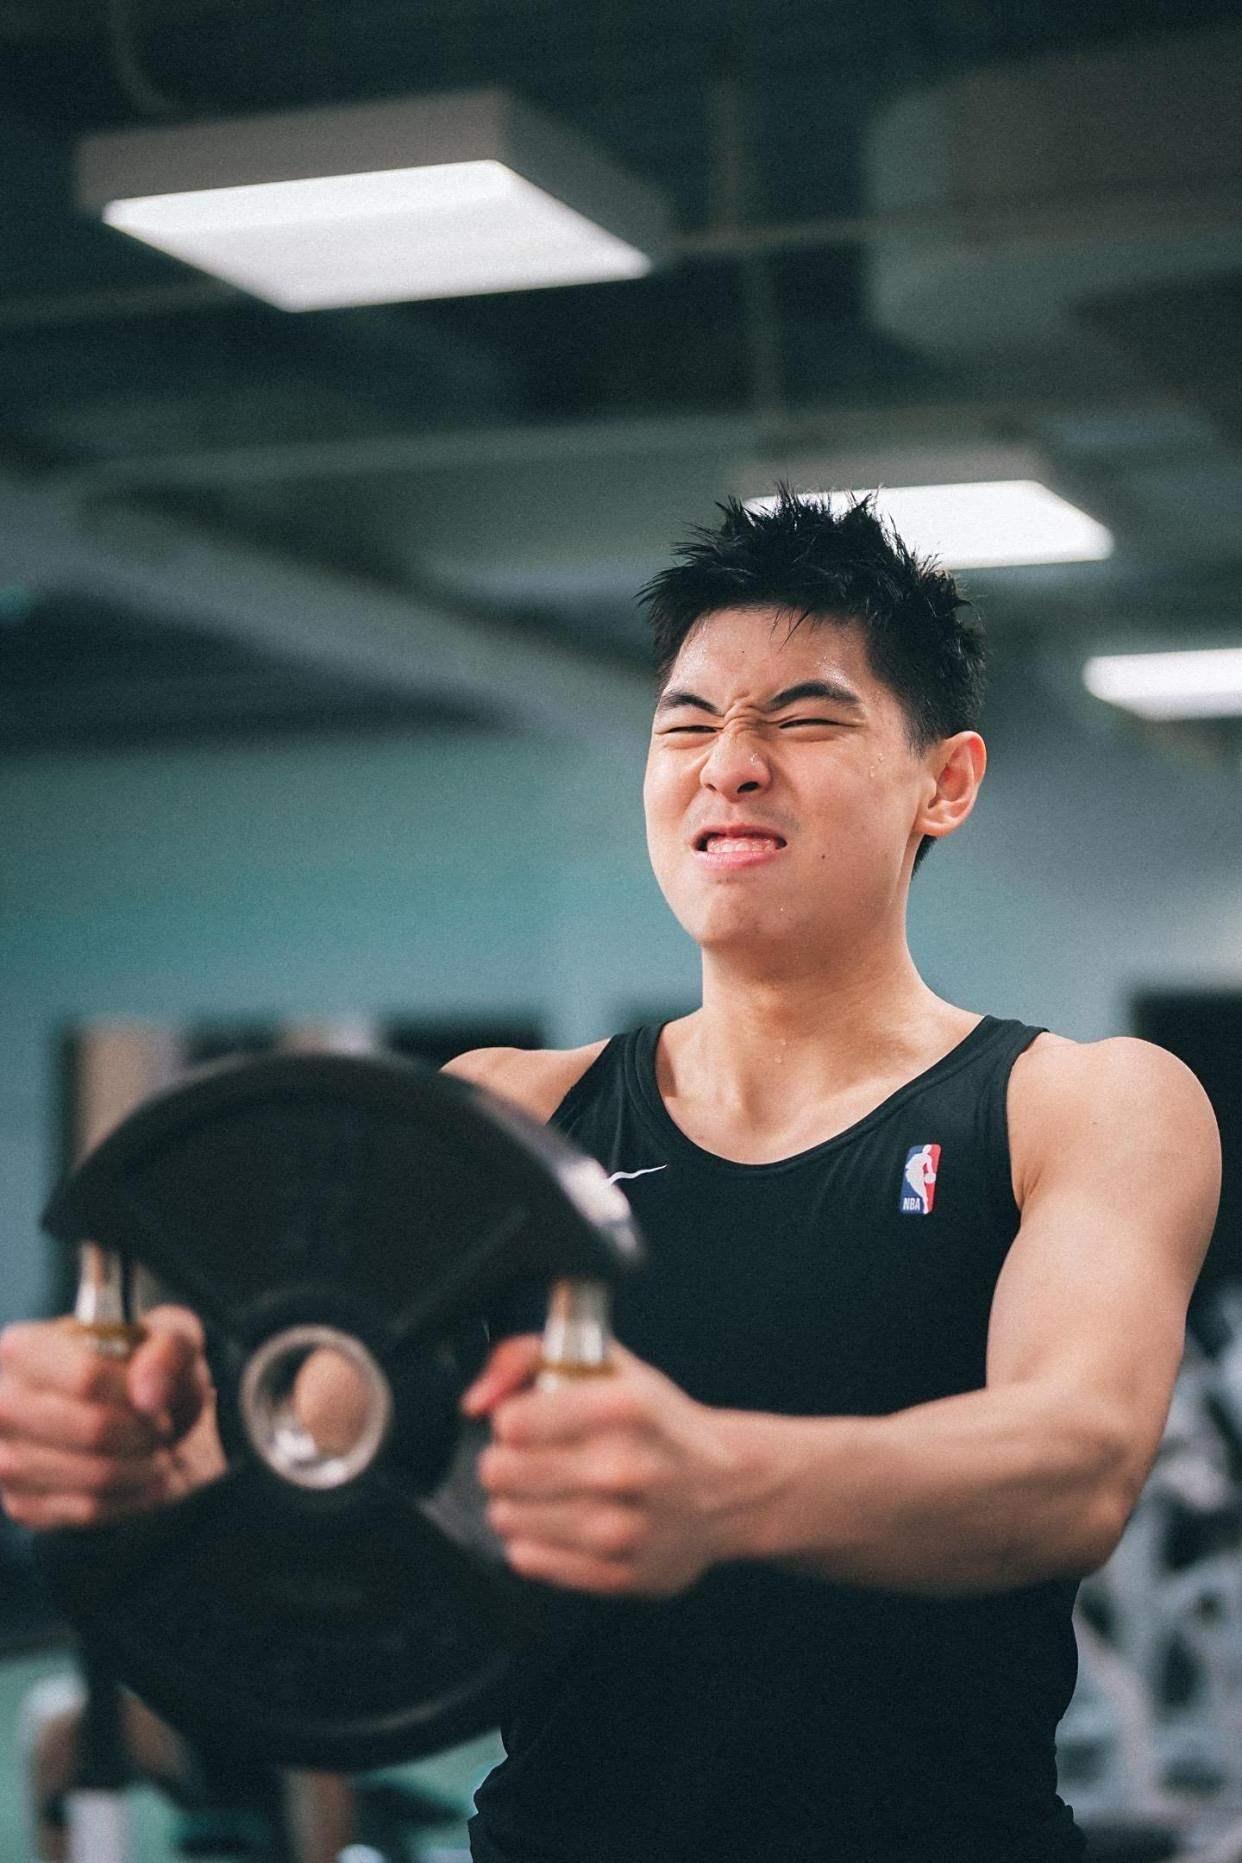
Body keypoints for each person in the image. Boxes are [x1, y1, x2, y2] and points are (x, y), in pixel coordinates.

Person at [0, 491, 1220, 1863]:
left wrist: (725, 1485)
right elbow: (313, 1442)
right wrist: (133, 1442)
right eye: (687, 725)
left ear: (945, 781)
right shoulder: (509, 1114)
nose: (729, 766)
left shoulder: (1081, 1102)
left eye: (803, 720)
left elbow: (1071, 1466)